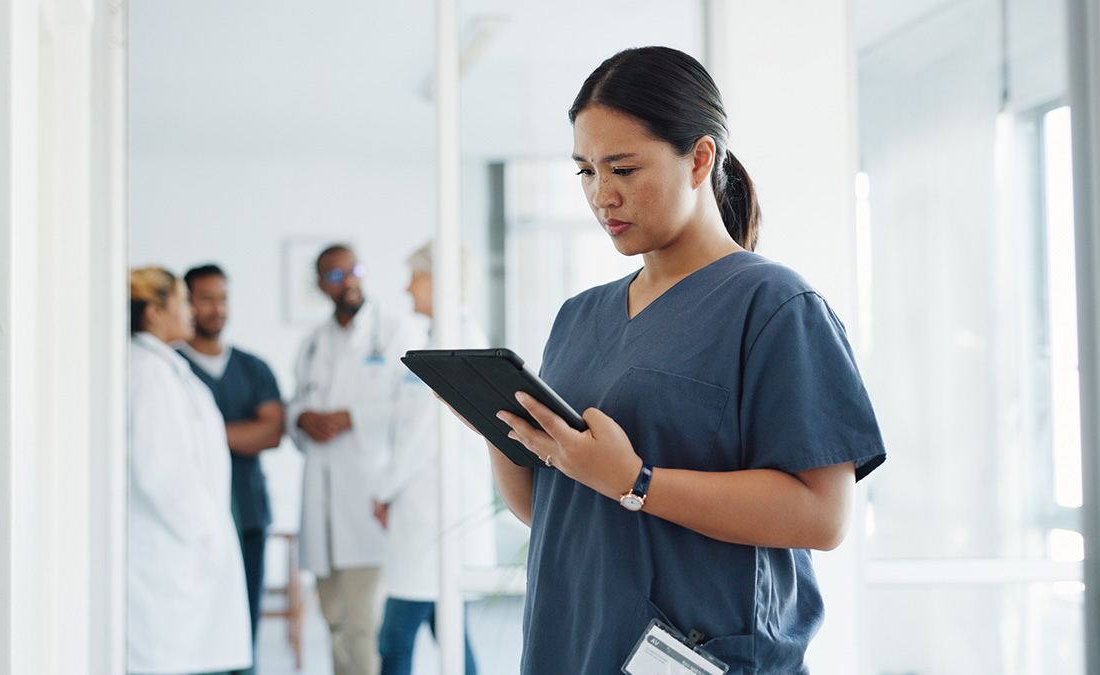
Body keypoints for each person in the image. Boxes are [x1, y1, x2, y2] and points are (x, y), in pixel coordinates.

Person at [461, 47, 887, 673]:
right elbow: (556, 511)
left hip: (698, 651)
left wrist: (637, 482)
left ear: (700, 158)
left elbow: (822, 517)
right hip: (570, 644)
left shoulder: (775, 306)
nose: (602, 195)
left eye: (624, 169)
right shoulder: (578, 316)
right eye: (585, 172)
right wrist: (498, 428)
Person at [287, 245, 426, 675]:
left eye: (354, 270)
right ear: (320, 286)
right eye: (334, 276)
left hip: (369, 497)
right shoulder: (313, 344)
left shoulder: (396, 332)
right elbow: (296, 406)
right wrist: (303, 418)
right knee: (334, 620)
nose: (348, 281)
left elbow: (414, 410)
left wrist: (352, 418)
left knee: (364, 622)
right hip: (322, 501)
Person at [372, 242, 495, 675]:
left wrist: (382, 492)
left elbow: (422, 436)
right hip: (430, 515)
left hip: (433, 515)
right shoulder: (443, 336)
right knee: (446, 636)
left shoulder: (454, 342)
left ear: (438, 281)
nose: (407, 288)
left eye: (415, 277)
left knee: (395, 638)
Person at [128, 266, 251, 675]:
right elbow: (159, 470)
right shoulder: (148, 372)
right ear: (153, 312)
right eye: (181, 301)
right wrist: (209, 530)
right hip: (170, 554)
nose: (191, 311)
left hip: (183, 550)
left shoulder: (164, 367)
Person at [176, 264, 284, 673]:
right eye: (206, 298)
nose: (217, 308)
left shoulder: (253, 367)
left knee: (244, 630)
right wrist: (242, 431)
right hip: (190, 521)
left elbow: (272, 432)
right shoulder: (170, 366)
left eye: (222, 298)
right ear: (187, 304)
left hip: (248, 518)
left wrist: (201, 432)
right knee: (196, 630)